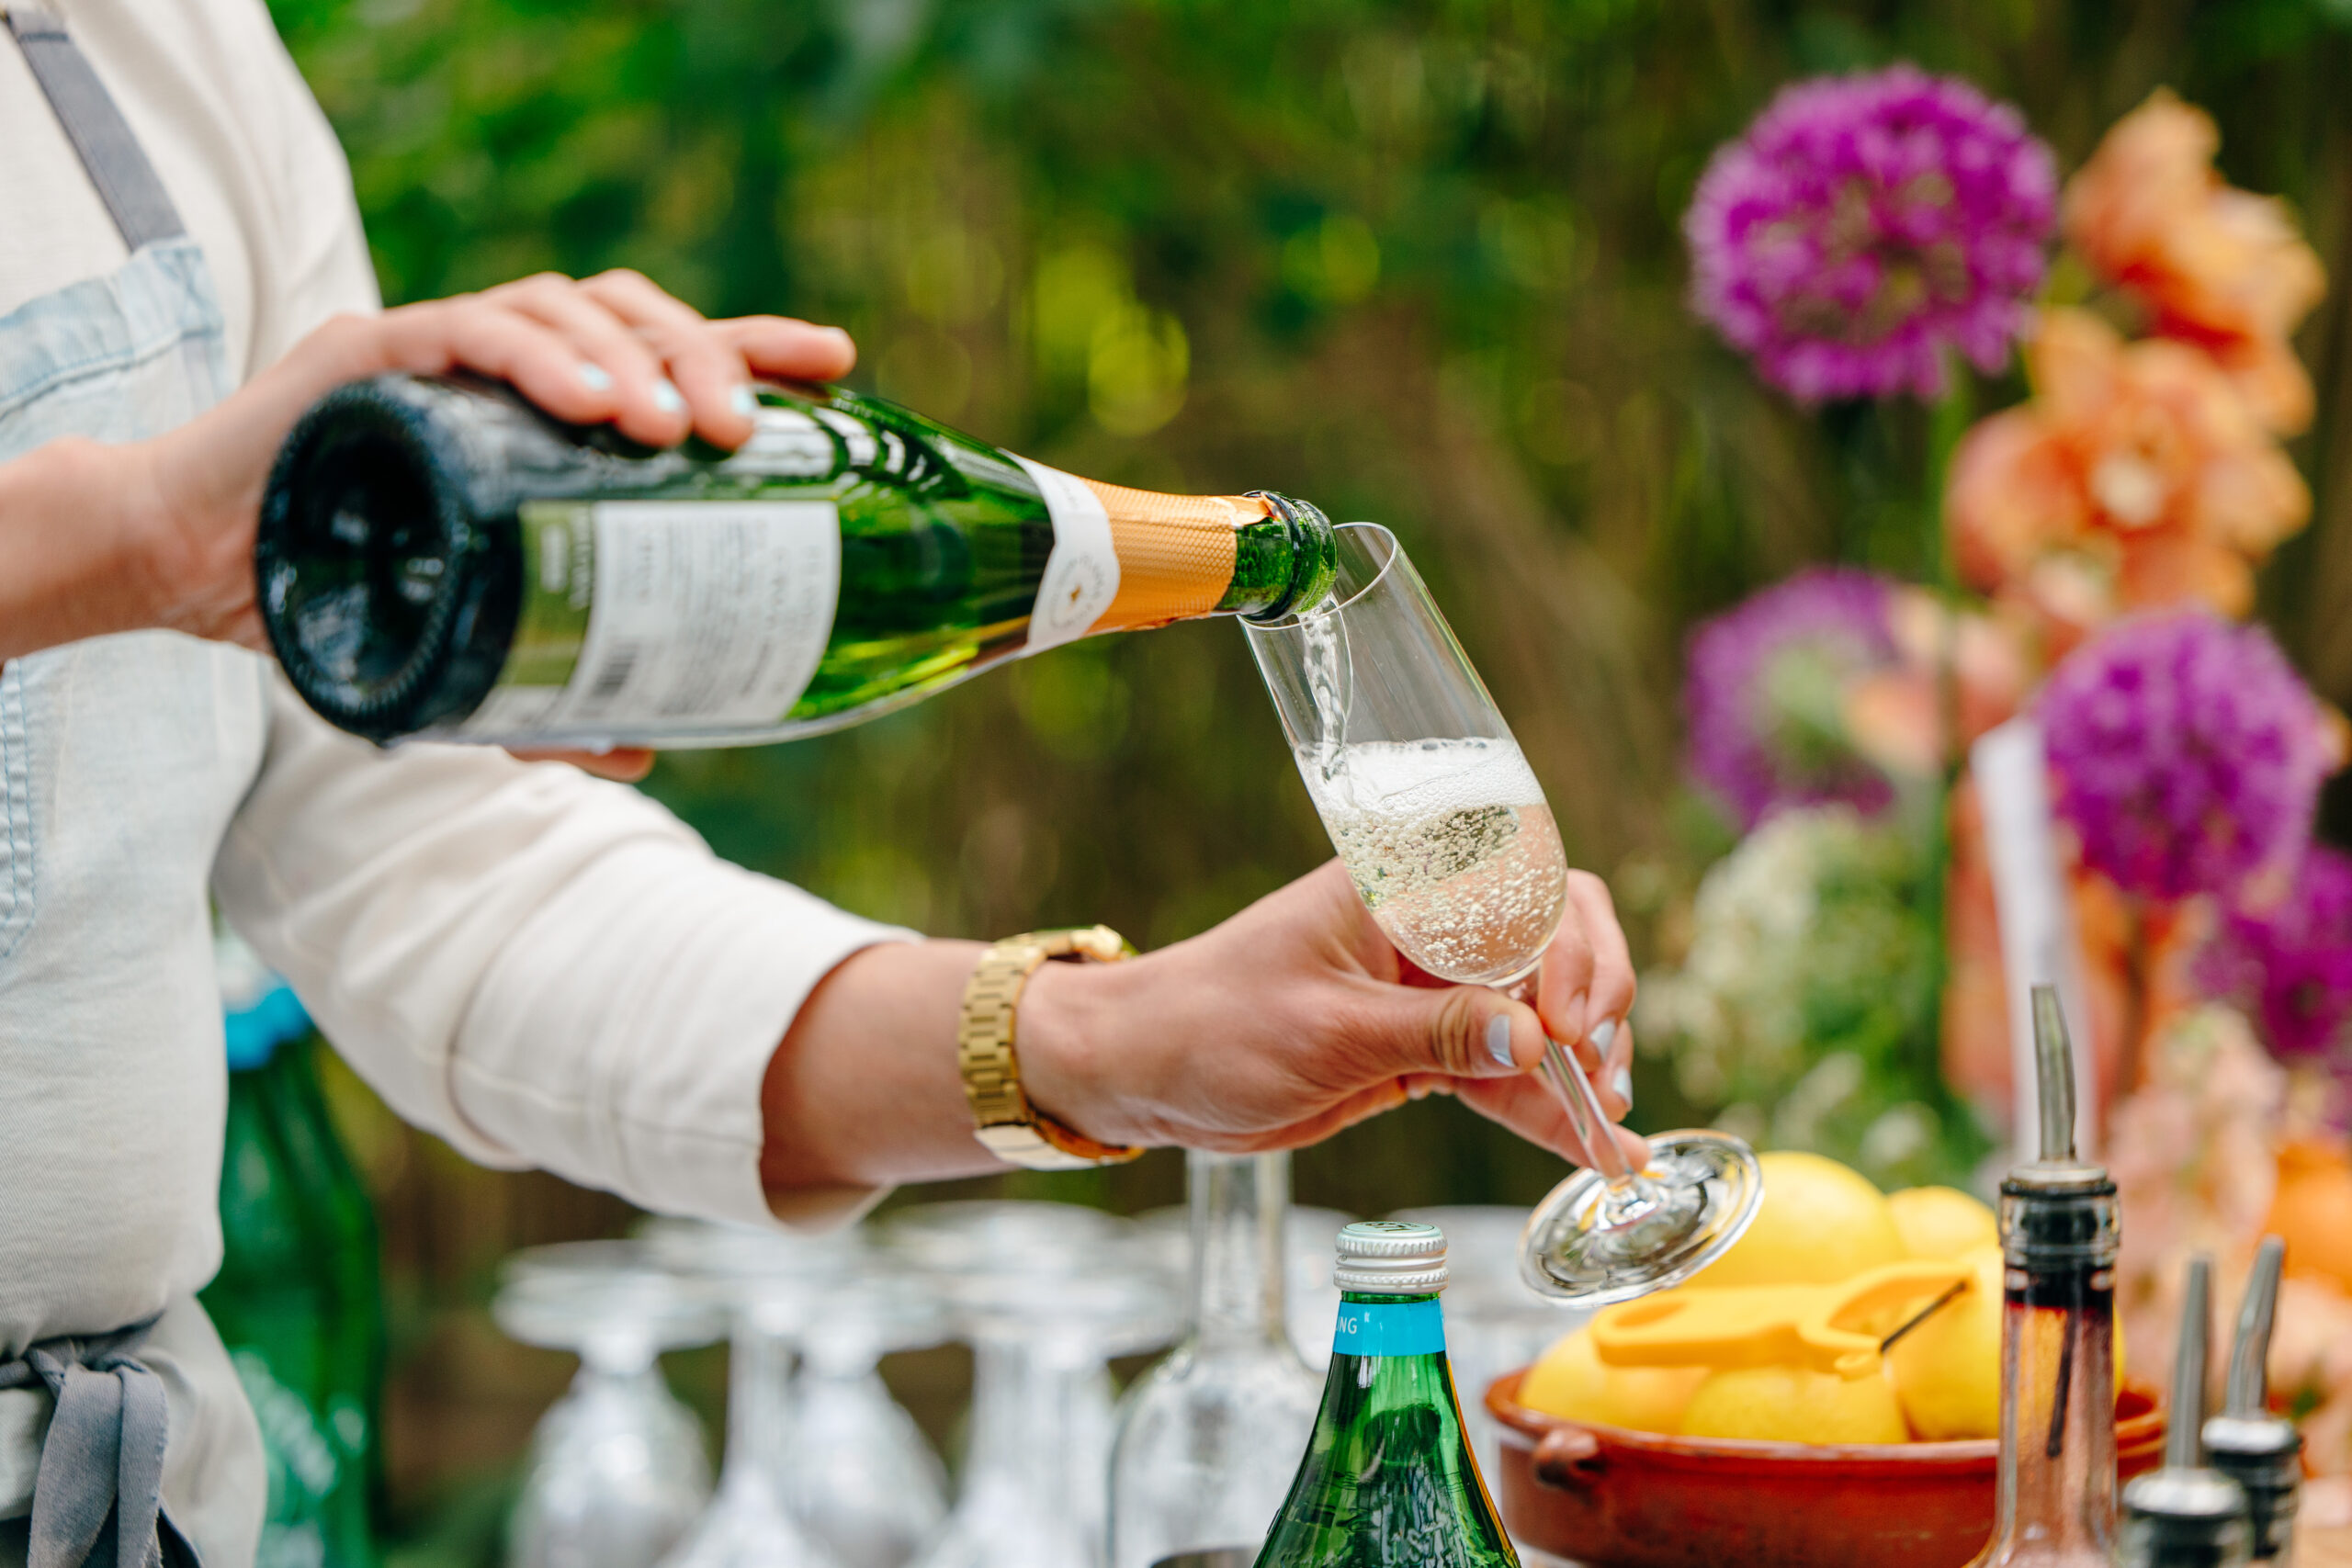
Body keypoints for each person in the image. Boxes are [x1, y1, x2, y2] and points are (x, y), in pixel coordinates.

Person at [0, 4, 1643, 1568]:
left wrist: (1105, 1045)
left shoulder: (165, 38)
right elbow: (186, 547)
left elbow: (423, 850)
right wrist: (129, 537)